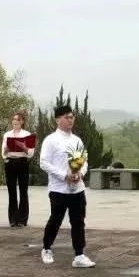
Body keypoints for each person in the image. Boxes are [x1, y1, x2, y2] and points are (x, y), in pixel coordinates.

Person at [39, 105, 95, 268]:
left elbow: (83, 161)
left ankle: (79, 254)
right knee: (55, 220)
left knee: (78, 222)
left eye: (72, 117)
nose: (70, 120)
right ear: (58, 120)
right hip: (59, 189)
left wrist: (80, 174)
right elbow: (44, 163)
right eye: (67, 117)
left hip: (77, 189)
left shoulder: (76, 140)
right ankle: (47, 248)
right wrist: (64, 176)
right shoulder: (51, 140)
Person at [1, 112, 35, 227]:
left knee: (23, 191)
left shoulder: (27, 134)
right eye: (14, 119)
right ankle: (13, 219)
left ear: (22, 122)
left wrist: (23, 147)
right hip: (10, 162)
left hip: (22, 162)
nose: (15, 121)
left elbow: (31, 153)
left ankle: (22, 220)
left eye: (18, 119)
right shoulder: (7, 135)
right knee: (11, 192)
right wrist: (6, 149)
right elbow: (3, 153)